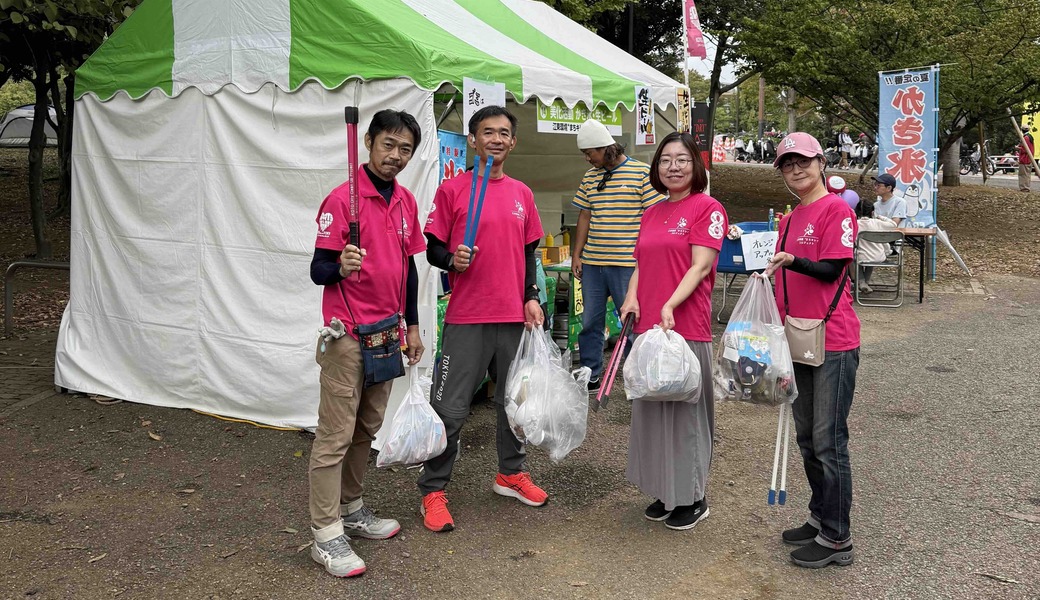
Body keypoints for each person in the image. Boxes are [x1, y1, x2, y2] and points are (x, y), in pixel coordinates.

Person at [307, 109, 427, 577]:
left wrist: (412, 326)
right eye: (388, 145)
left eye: (405, 149)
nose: (395, 156)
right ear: (369, 143)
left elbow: (409, 267)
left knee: (367, 429)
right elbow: (317, 270)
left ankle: (351, 508)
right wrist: (340, 265)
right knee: (334, 436)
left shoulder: (406, 202)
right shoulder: (341, 200)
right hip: (347, 337)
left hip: (387, 334)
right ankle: (325, 533)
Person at [418, 105, 546, 532]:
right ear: (472, 140)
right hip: (467, 317)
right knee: (450, 409)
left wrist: (531, 295)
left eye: (503, 133)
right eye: (486, 132)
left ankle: (510, 473)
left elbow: (529, 252)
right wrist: (451, 259)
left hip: (513, 318)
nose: (495, 139)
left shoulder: (522, 194)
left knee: (514, 405)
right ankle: (433, 489)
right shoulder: (453, 191)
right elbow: (432, 248)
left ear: (513, 142)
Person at [620, 132, 727, 531]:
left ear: (695, 166)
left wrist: (669, 303)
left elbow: (700, 266)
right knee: (652, 410)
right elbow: (641, 263)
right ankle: (666, 490)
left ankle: (693, 496)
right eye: (665, 160)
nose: (673, 167)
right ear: (657, 167)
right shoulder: (652, 211)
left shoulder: (707, 208)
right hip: (650, 328)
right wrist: (633, 298)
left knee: (686, 413)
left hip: (686, 326)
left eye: (682, 159)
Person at [764, 132, 860, 569]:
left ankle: (838, 537)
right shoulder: (789, 217)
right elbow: (787, 278)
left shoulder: (837, 210)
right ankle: (820, 516)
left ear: (822, 162)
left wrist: (792, 261)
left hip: (833, 339)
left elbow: (829, 270)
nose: (795, 169)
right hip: (795, 336)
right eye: (787, 164)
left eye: (802, 161)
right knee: (806, 438)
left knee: (828, 440)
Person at [571, 118, 664, 391]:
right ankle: (591, 373)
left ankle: (639, 376)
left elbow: (654, 218)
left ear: (606, 148)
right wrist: (578, 255)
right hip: (593, 262)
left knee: (633, 320)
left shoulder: (641, 173)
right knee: (590, 321)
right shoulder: (590, 177)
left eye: (591, 153)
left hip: (627, 263)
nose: (588, 159)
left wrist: (646, 258)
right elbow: (584, 215)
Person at [1019, 125, 1035, 193]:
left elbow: (1025, 149)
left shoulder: (1025, 138)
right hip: (1029, 158)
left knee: (1023, 174)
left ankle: (1024, 188)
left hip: (1025, 159)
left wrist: (1018, 148)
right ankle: (1026, 187)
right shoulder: (1030, 137)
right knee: (1027, 174)